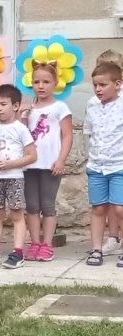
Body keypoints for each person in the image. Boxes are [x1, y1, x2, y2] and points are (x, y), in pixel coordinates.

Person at [21, 63, 73, 262]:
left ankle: (47, 244)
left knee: (48, 205)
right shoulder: (29, 108)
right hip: (29, 164)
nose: (41, 86)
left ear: (55, 83)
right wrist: (22, 115)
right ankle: (35, 243)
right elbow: (22, 134)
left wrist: (61, 159)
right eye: (36, 82)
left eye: (46, 82)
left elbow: (67, 135)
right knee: (32, 205)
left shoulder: (60, 107)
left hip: (50, 164)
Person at [0, 85, 37, 269]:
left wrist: (11, 164)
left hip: (14, 177)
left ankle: (18, 252)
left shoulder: (20, 129)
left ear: (15, 106)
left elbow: (32, 156)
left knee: (16, 213)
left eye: (3, 104)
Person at [84, 62, 123, 267]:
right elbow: (89, 133)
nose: (98, 89)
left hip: (119, 166)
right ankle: (96, 249)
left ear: (117, 84)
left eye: (103, 85)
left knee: (119, 208)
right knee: (98, 208)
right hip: (97, 166)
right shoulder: (92, 105)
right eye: (95, 85)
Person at [93, 50, 123, 256]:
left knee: (119, 205)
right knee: (107, 205)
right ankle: (112, 238)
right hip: (101, 162)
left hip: (119, 160)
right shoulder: (95, 101)